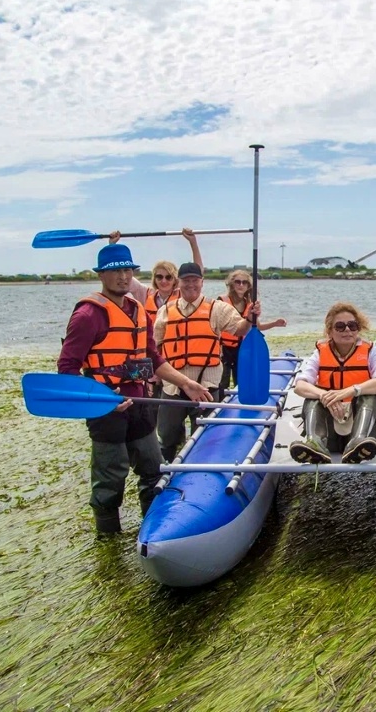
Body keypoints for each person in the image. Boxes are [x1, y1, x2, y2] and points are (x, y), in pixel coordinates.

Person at [57, 244, 211, 537]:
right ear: (102, 274)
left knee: (154, 470)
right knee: (110, 480)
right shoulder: (88, 315)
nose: (123, 276)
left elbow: (153, 359)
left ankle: (154, 533)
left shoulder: (139, 310)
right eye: (116, 270)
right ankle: (108, 538)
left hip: (140, 404)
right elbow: (67, 368)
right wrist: (101, 400)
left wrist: (185, 383)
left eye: (128, 270)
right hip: (106, 410)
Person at [154, 262, 260, 462]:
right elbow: (155, 346)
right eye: (186, 281)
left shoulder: (217, 308)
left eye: (195, 280)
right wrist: (154, 378)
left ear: (202, 282)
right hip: (173, 387)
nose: (191, 285)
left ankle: (201, 467)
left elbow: (240, 329)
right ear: (179, 283)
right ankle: (165, 471)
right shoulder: (166, 311)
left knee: (205, 437)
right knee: (167, 436)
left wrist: (249, 318)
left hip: (206, 386)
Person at [290, 302, 376, 464]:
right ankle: (315, 443)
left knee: (372, 394)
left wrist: (351, 391)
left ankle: (357, 442)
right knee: (313, 396)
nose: (348, 330)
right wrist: (325, 396)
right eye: (340, 326)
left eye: (352, 325)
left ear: (359, 328)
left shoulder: (370, 351)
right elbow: (300, 386)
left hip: (363, 428)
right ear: (330, 331)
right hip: (330, 428)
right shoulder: (320, 353)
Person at [108, 228, 203, 331]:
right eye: (159, 277)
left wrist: (193, 242)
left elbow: (198, 273)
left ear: (175, 280)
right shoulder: (144, 293)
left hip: (173, 343)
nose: (164, 281)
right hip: (152, 343)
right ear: (154, 279)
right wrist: (112, 246)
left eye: (168, 277)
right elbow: (124, 276)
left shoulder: (183, 294)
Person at [217, 268, 287, 392]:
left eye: (244, 282)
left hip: (242, 348)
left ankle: (240, 403)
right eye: (237, 282)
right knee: (223, 382)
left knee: (241, 380)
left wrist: (275, 323)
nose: (241, 285)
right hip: (224, 349)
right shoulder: (222, 302)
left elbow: (257, 327)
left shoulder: (250, 304)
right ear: (231, 284)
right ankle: (219, 405)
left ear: (248, 286)